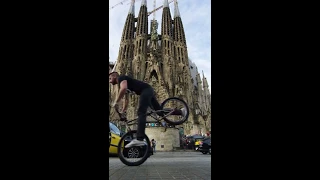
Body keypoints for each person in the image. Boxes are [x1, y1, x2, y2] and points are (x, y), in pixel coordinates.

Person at [109, 72, 186, 148]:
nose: (109, 81)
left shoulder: (121, 78)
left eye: (110, 78)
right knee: (159, 111)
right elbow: (126, 100)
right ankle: (180, 112)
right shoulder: (122, 83)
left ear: (115, 76)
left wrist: (116, 101)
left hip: (145, 91)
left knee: (141, 112)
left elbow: (123, 88)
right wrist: (123, 110)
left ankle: (140, 139)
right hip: (148, 90)